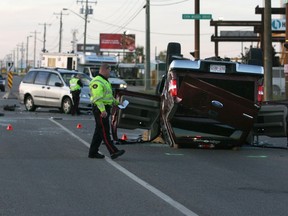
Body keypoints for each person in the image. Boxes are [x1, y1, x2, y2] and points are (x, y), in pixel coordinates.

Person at [88, 63, 125, 159]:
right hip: (100, 109)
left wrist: (118, 103)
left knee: (99, 132)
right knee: (104, 131)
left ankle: (93, 152)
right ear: (104, 70)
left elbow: (109, 97)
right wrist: (102, 110)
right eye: (109, 70)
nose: (110, 73)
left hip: (104, 108)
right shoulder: (97, 82)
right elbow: (97, 98)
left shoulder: (105, 81)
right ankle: (113, 151)